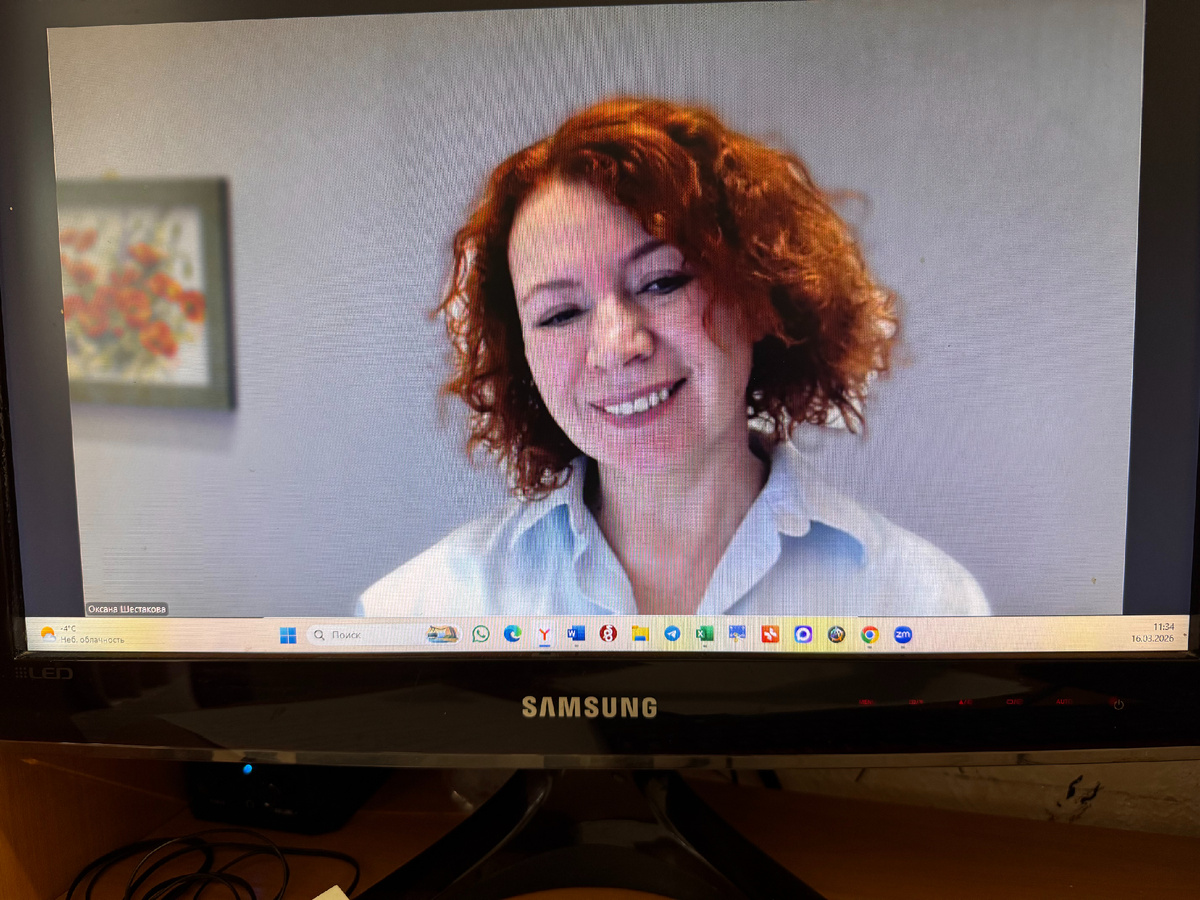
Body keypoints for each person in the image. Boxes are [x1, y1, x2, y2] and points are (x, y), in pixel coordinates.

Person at [360, 97, 989, 618]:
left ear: (759, 296)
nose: (617, 346)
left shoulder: (928, 605)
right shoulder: (416, 614)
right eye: (560, 314)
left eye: (662, 282)